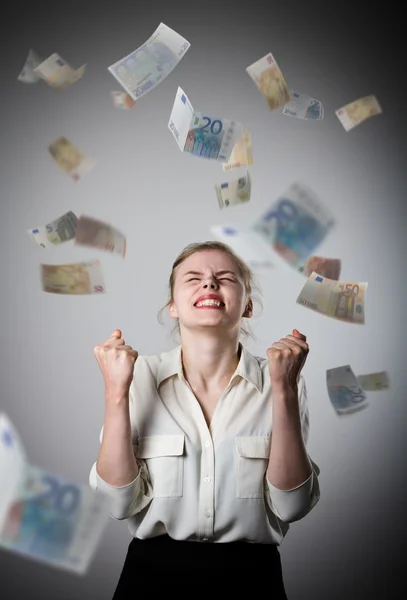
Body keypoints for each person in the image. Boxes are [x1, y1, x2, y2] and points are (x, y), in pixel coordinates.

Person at [89, 240, 321, 597]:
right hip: (150, 580)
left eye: (225, 278)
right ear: (172, 306)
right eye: (193, 278)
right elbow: (117, 504)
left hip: (252, 581)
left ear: (248, 306)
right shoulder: (136, 377)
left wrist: (284, 389)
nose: (209, 284)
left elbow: (291, 506)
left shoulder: (285, 380)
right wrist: (115, 391)